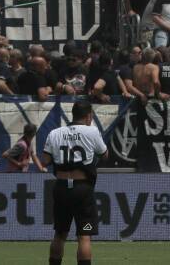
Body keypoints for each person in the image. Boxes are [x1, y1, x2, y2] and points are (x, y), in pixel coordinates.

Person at [42, 99, 108, 265]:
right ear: (88, 116)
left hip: (62, 188)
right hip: (82, 189)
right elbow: (105, 154)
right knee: (84, 235)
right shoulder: (91, 131)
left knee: (60, 233)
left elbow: (46, 160)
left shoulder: (55, 133)